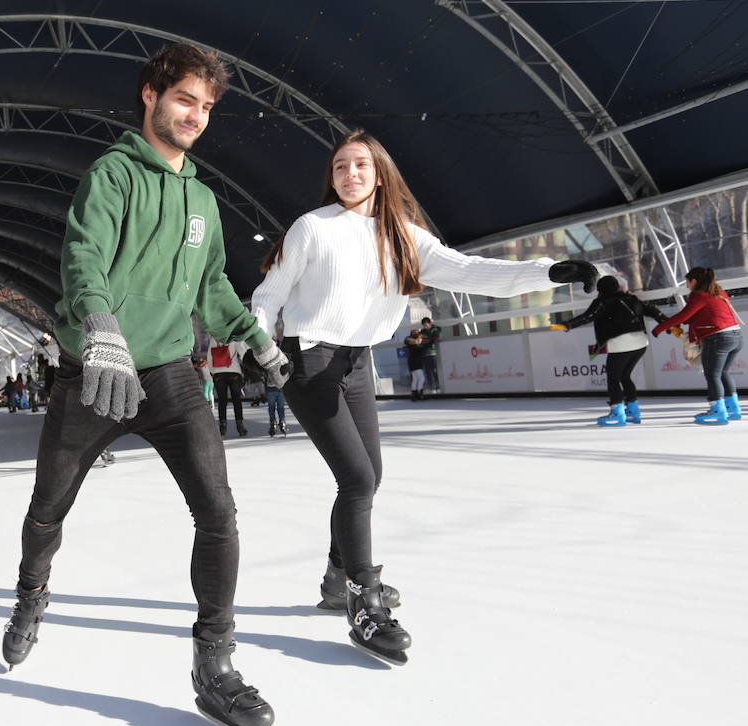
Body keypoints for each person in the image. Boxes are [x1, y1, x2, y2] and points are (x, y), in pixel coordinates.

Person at [1, 43, 290, 726]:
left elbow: (213, 285)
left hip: (169, 374)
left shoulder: (201, 198)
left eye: (206, 107)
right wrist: (101, 327)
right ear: (151, 96)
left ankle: (214, 662)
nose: (195, 116)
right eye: (185, 99)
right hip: (96, 370)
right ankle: (31, 593)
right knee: (48, 509)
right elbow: (83, 257)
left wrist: (254, 336)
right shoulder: (112, 175)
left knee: (218, 511)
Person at [250, 130, 596, 666]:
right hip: (308, 358)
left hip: (356, 361)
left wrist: (546, 271)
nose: (349, 174)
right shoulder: (313, 228)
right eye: (340, 166)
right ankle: (363, 601)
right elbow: (270, 293)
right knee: (357, 479)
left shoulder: (406, 237)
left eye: (360, 164)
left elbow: (471, 271)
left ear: (380, 172)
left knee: (370, 476)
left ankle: (336, 578)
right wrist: (260, 342)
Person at [551, 275, 669, 425]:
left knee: (613, 378)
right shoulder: (631, 299)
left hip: (621, 343)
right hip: (641, 342)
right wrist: (667, 323)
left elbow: (588, 317)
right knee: (625, 376)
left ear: (601, 290)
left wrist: (567, 325)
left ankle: (617, 413)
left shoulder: (602, 302)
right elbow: (652, 310)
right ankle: (633, 412)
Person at [652, 266, 743, 424]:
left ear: (694, 281)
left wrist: (660, 328)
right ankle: (733, 408)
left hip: (718, 338)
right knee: (723, 373)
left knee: (712, 375)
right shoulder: (718, 292)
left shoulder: (698, 295)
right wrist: (675, 326)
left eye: (687, 282)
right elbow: (699, 315)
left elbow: (683, 315)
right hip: (736, 336)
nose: (686, 286)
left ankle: (717, 411)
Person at [208, 339, 248, 435]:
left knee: (222, 401)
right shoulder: (233, 338)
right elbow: (243, 353)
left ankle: (223, 426)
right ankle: (240, 425)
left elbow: (209, 357)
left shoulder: (213, 339)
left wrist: (213, 372)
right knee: (237, 400)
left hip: (218, 373)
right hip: (234, 372)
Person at [419, 316, 441, 392]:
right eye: (424, 325)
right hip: (425, 354)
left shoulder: (435, 330)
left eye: (426, 325)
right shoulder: (422, 332)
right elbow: (419, 340)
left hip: (433, 353)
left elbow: (435, 339)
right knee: (428, 371)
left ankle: (438, 386)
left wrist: (426, 341)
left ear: (430, 323)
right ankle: (431, 387)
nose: (425, 327)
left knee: (434, 370)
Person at [404, 329, 427, 401]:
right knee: (421, 378)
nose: (421, 339)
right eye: (419, 338)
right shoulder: (415, 345)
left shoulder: (411, 344)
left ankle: (414, 394)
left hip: (412, 364)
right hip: (416, 364)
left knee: (415, 379)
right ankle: (419, 393)